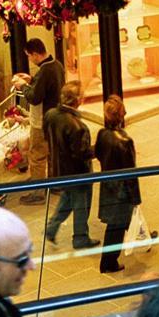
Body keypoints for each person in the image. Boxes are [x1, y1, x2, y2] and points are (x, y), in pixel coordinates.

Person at [43, 81, 100, 249]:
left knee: (67, 199)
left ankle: (51, 228)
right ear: (78, 100)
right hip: (78, 173)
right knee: (81, 204)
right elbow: (83, 154)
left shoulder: (50, 114)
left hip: (59, 169)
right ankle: (80, 237)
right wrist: (100, 148)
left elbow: (46, 135)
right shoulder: (78, 127)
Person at [14, 39, 65, 205]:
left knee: (37, 157)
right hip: (54, 118)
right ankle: (55, 185)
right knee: (51, 154)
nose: (29, 59)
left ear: (36, 54)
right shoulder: (56, 65)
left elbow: (34, 98)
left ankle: (38, 193)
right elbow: (44, 88)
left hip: (41, 122)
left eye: (29, 56)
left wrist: (22, 86)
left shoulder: (45, 71)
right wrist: (31, 80)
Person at [95, 95, 141, 274]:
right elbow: (131, 173)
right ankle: (108, 262)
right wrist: (136, 197)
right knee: (116, 226)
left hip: (108, 185)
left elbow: (98, 153)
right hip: (122, 190)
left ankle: (140, 235)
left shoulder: (102, 134)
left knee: (117, 223)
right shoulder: (124, 141)